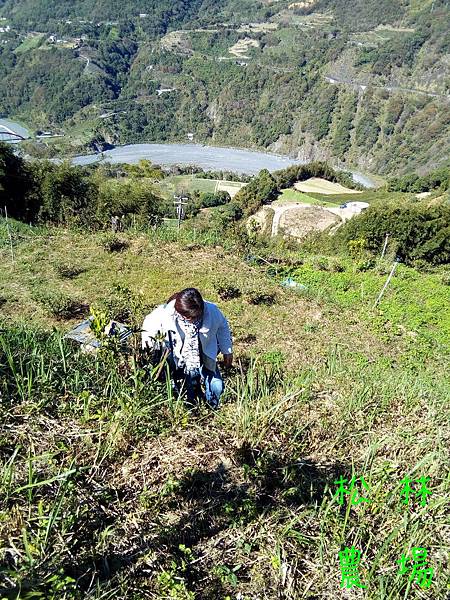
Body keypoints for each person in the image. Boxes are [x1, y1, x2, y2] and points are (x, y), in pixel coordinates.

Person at [141, 288, 233, 408]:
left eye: (196, 317)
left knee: (217, 386)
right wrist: (150, 354)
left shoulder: (211, 310)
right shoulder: (162, 316)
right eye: (188, 317)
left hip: (205, 352)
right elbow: (148, 331)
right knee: (189, 383)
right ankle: (192, 408)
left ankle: (212, 408)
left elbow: (222, 326)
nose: (192, 320)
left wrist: (227, 350)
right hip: (177, 356)